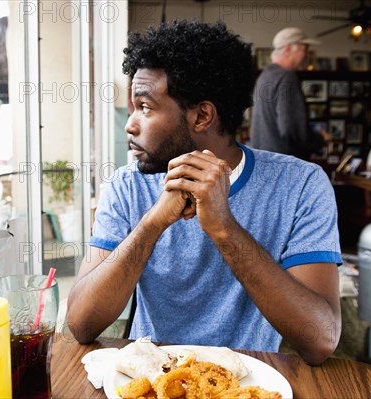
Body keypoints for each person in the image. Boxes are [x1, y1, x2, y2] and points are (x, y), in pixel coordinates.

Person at [67, 20, 342, 366]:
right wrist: (153, 222)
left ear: (202, 116)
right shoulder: (127, 185)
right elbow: (80, 324)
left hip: (245, 383)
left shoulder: (300, 185)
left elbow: (321, 340)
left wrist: (224, 226)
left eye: (146, 107)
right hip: (147, 379)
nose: (130, 124)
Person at [251, 27, 331, 160]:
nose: (307, 54)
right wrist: (319, 139)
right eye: (304, 49)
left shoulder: (265, 76)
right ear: (288, 48)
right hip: (285, 168)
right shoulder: (286, 77)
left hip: (264, 163)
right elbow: (292, 128)